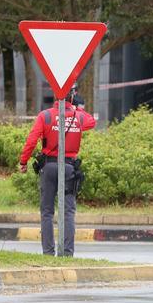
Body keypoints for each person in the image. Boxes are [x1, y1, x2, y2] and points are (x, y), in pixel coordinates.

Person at [18, 91, 96, 256]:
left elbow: (32, 140)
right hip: (69, 168)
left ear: (55, 96)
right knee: (68, 211)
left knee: (47, 211)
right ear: (72, 98)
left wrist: (23, 161)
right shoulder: (79, 117)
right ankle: (67, 253)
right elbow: (92, 121)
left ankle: (48, 252)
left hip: (49, 167)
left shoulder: (45, 116)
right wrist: (75, 108)